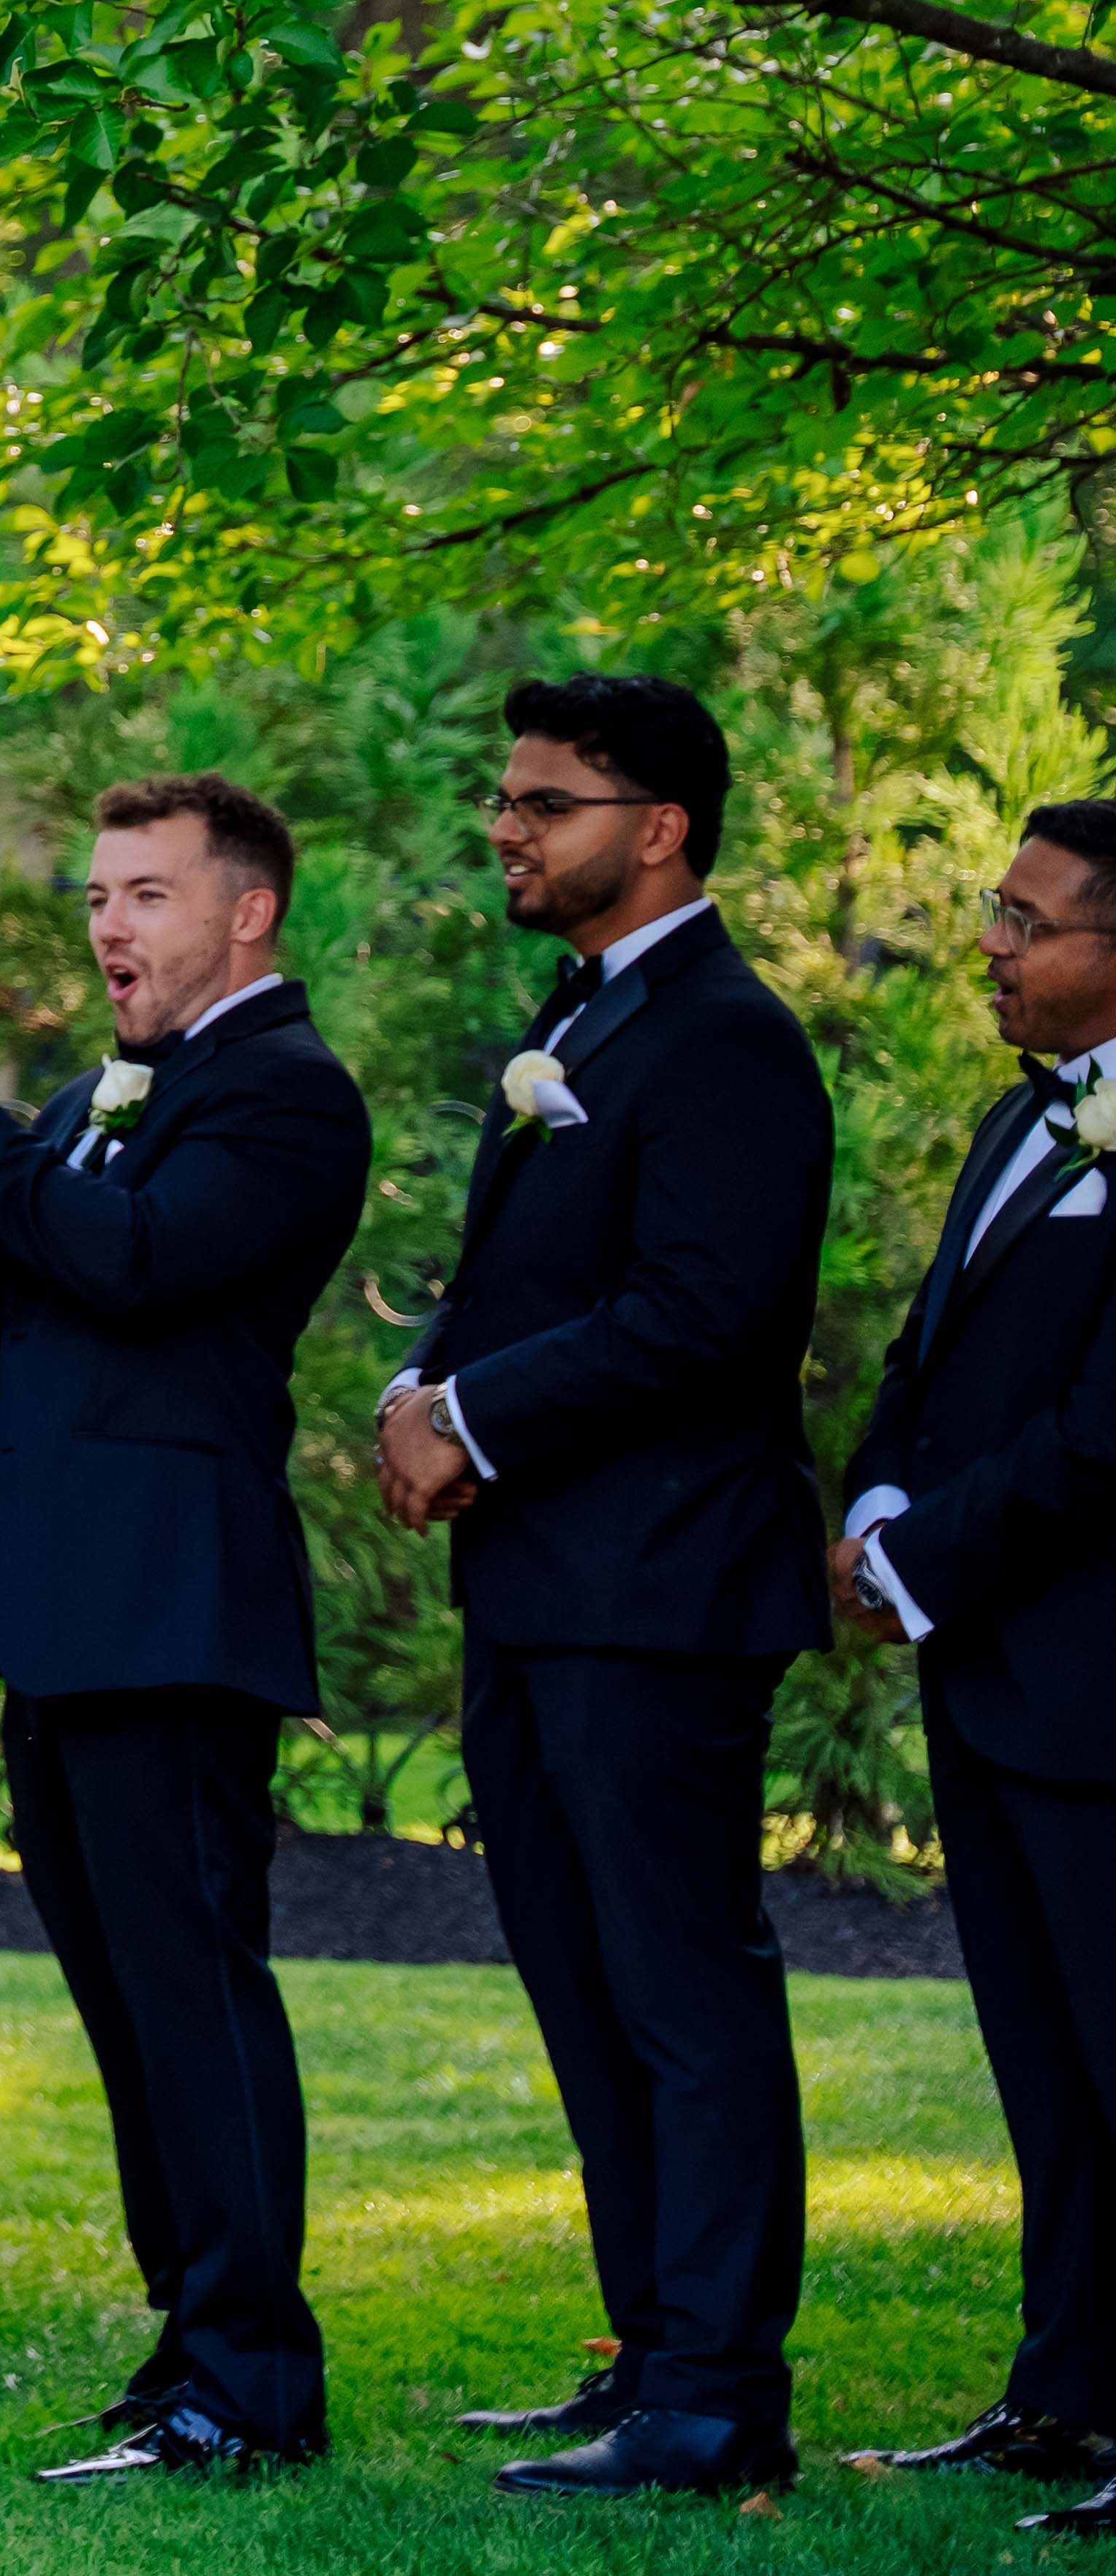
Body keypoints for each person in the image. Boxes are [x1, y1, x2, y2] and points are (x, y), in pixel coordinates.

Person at [0, 774, 367, 2479]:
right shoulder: (88, 1096)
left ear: (246, 913)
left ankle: (254, 2383)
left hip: (170, 1609)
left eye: (143, 894)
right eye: (94, 896)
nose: (106, 925)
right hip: (62, 1613)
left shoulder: (285, 1095)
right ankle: (192, 2338)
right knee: (127, 2007)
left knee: (191, 1995)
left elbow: (133, 1262)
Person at [381, 672, 830, 2499]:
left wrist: (470, 1418)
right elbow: (540, 1280)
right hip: (542, 1590)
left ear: (658, 830)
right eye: (503, 799)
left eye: (542, 803)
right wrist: (423, 1384)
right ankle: (647, 2353)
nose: (506, 829)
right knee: (583, 1986)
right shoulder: (583, 1012)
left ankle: (718, 2394)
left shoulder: (723, 1037)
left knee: (679, 1993)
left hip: (659, 1595)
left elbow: (707, 1314)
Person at [831, 797, 1116, 2531]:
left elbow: (1103, 1437)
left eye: (1026, 922)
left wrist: (918, 1558)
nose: (990, 948)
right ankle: (1064, 2394)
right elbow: (927, 1351)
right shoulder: (1022, 1118)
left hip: (1095, 1681)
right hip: (986, 1669)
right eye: (994, 913)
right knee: (1044, 2061)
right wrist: (876, 1498)